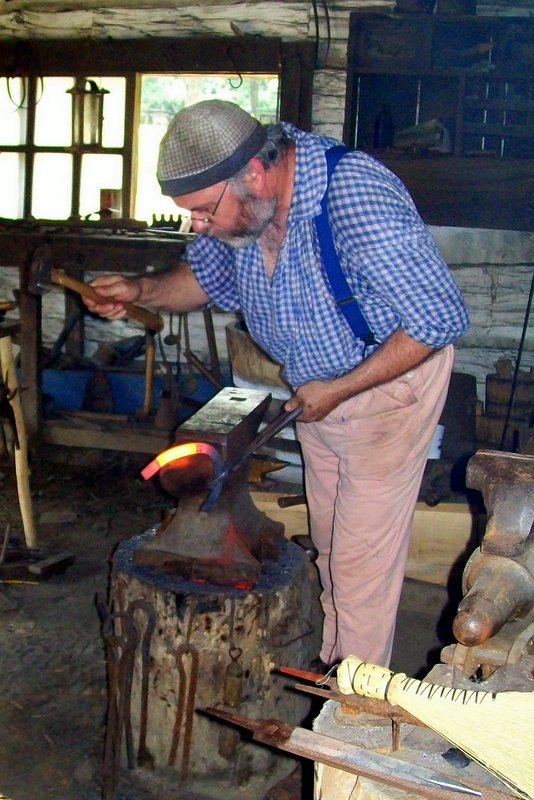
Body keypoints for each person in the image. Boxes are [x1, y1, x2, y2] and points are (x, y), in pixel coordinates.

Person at [84, 99, 469, 669]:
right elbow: (201, 278)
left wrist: (340, 387)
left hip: (388, 385)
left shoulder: (353, 196)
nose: (197, 225)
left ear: (255, 174)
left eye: (202, 211)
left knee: (362, 564)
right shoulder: (243, 207)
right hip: (318, 388)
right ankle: (336, 656)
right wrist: (141, 291)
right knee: (332, 540)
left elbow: (439, 319)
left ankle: (355, 701)